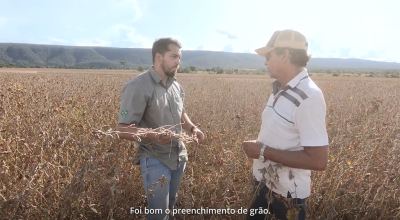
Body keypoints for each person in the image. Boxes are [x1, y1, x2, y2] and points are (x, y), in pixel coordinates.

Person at [242, 29, 329, 220]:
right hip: (263, 185)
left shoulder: (308, 96)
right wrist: (258, 169)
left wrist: (262, 151)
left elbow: (318, 161)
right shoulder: (279, 88)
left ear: (286, 55)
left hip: (288, 196)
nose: (265, 61)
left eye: (269, 55)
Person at [116, 37, 205, 220]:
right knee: (158, 214)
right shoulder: (137, 86)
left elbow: (181, 114)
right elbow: (122, 129)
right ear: (159, 57)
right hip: (155, 157)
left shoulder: (176, 87)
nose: (178, 62)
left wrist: (193, 129)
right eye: (173, 56)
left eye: (179, 57)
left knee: (169, 207)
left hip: (179, 156)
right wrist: (154, 135)